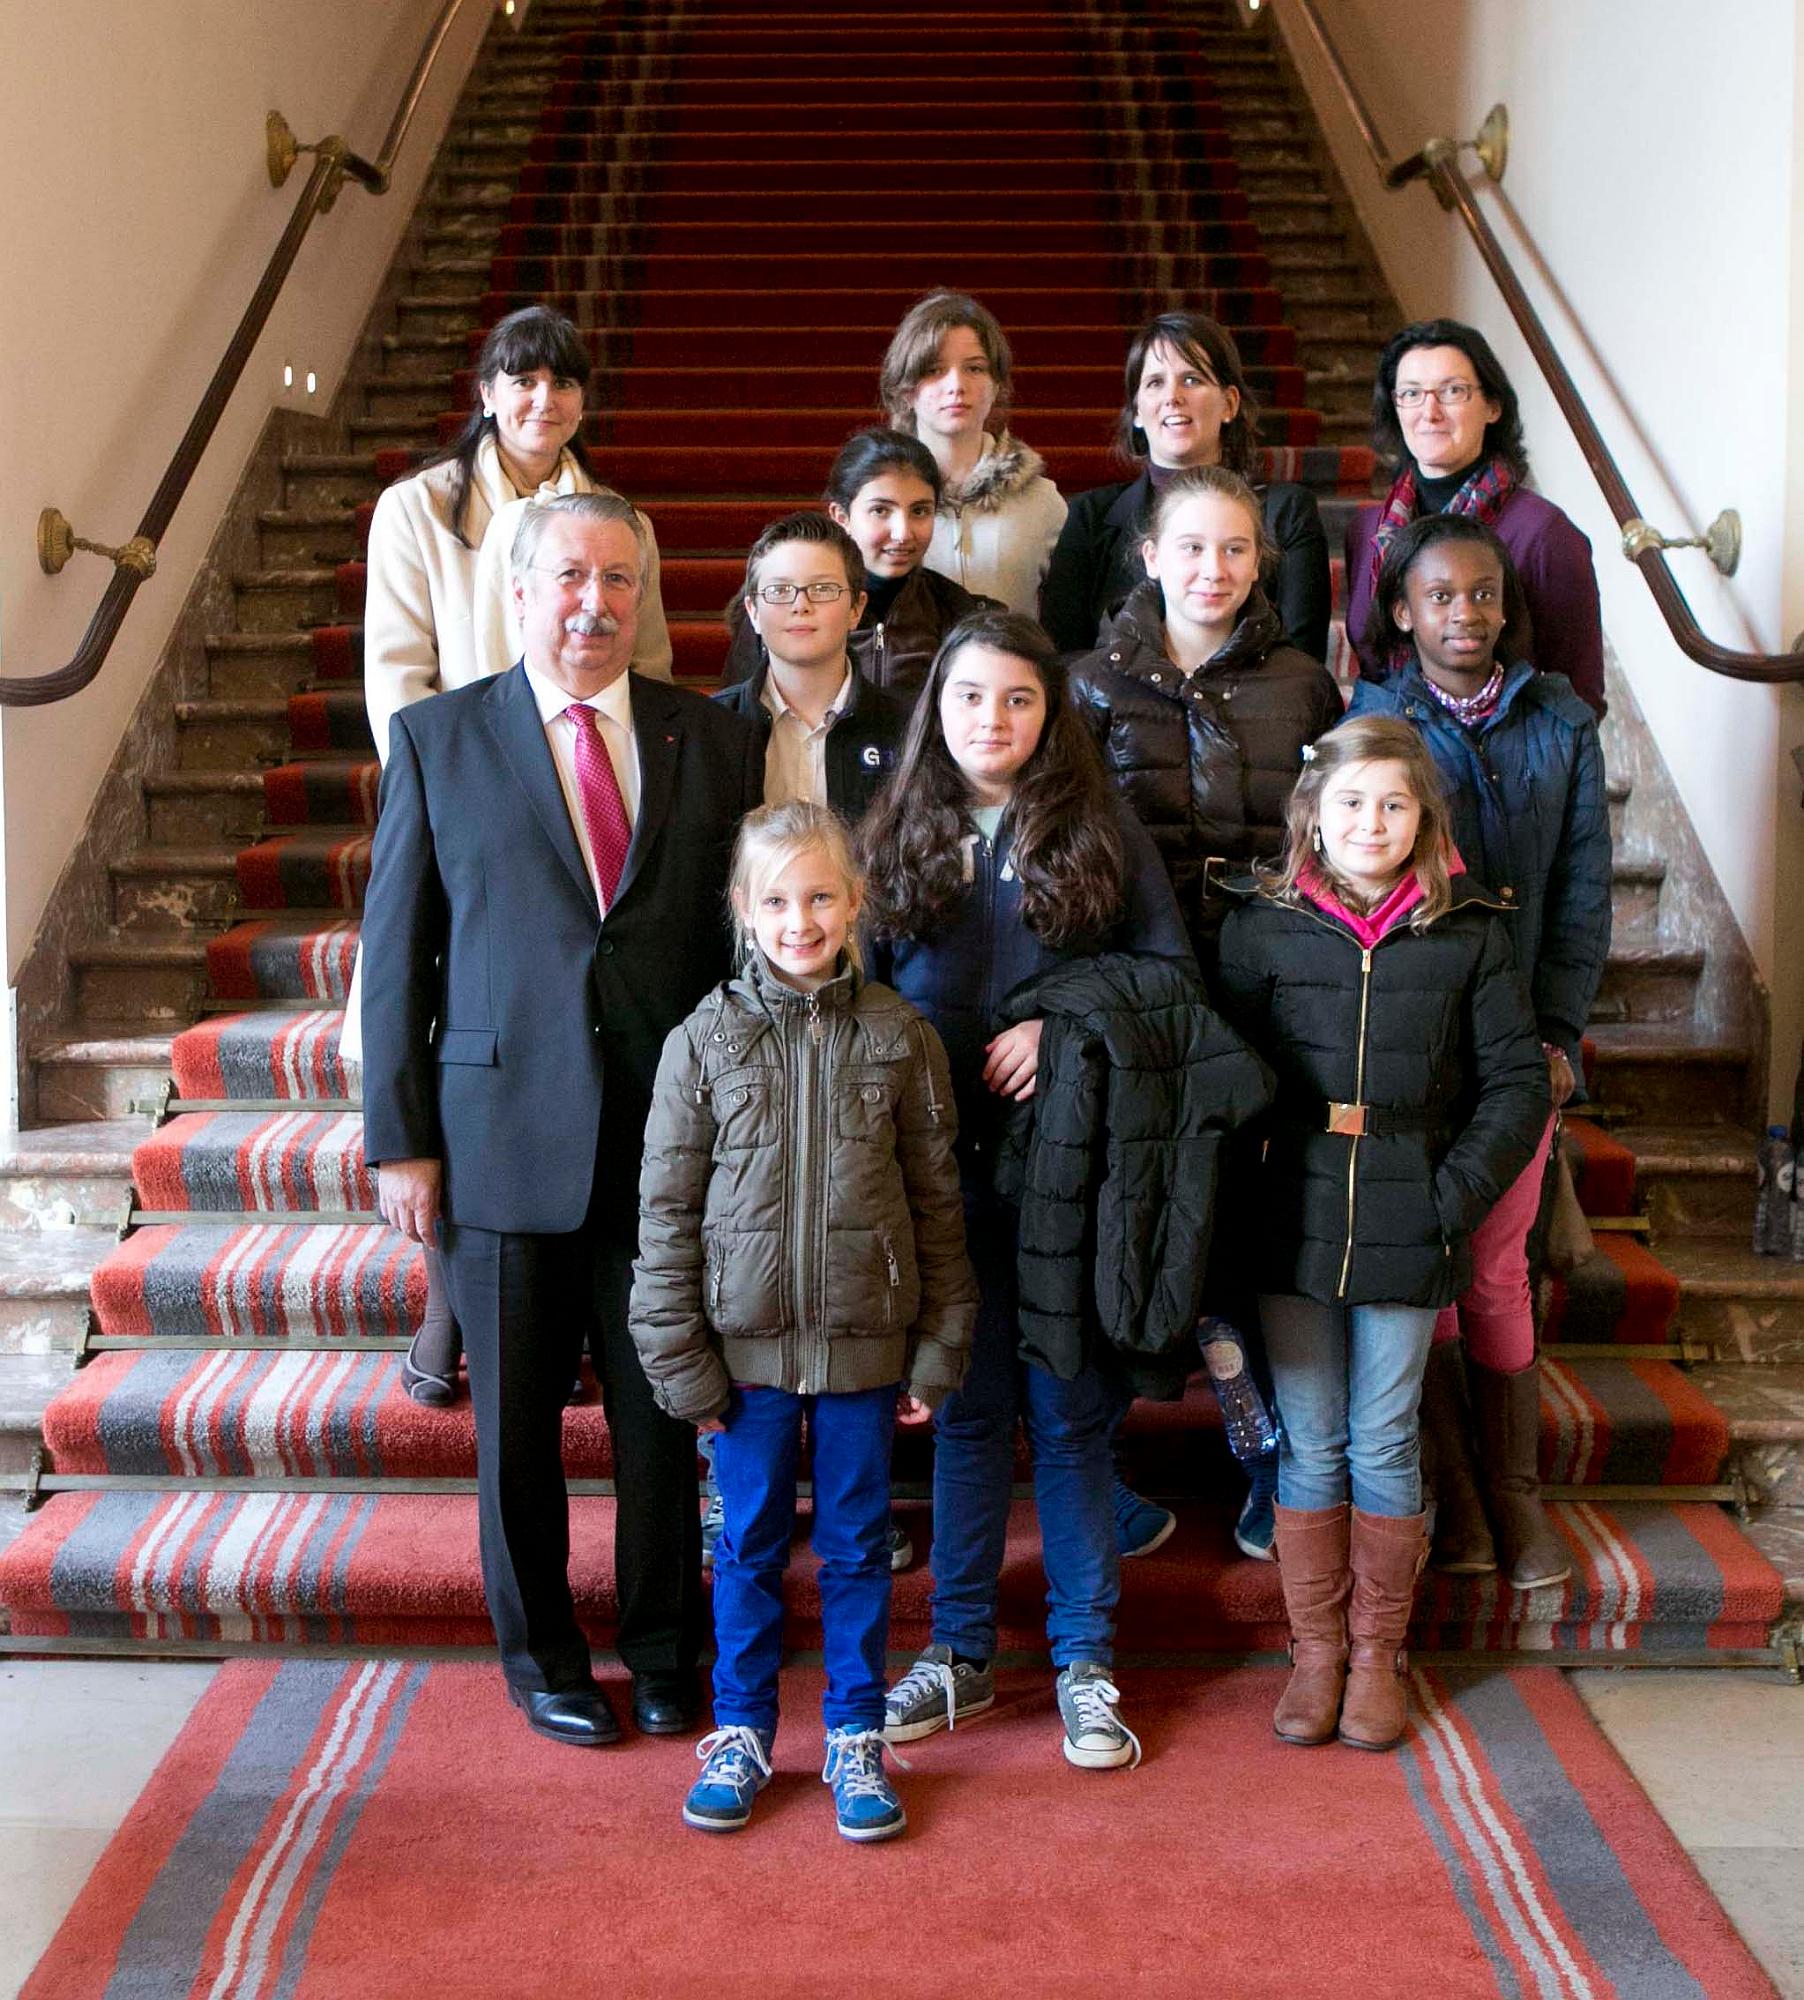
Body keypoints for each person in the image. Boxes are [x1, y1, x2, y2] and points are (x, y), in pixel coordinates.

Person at [360, 492, 765, 1748]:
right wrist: (400, 1138)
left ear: (643, 596)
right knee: (517, 1430)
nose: (594, 603)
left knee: (660, 1418)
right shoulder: (438, 737)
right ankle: (540, 1656)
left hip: (665, 1142)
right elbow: (397, 952)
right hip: (495, 1142)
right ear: (522, 591)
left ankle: (661, 1649)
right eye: (570, 578)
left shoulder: (712, 739)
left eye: (620, 581)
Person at [861, 610, 1194, 1771]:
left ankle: (1085, 1659)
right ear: (934, 709)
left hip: (1071, 1171)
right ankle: (957, 1649)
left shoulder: (1101, 829)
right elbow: (851, 991)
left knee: (1068, 1419)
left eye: (1016, 700)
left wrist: (1067, 1021)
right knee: (964, 1415)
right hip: (938, 1176)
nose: (990, 721)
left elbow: (1168, 976)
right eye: (968, 699)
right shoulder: (898, 829)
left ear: (1049, 714)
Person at [630, 802, 976, 1842]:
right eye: (776, 899)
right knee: (744, 1544)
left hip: (870, 1345)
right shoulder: (701, 1041)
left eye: (820, 895)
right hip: (746, 1361)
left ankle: (855, 1734)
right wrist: (681, 1362)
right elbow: (665, 1211)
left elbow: (936, 1201)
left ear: (855, 901)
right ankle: (739, 1729)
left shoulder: (901, 1037)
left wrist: (940, 1340)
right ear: (742, 907)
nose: (800, 918)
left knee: (859, 1544)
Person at [354, 304, 672, 1409]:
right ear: (486, 390)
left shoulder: (617, 520)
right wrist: (457, 787)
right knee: (466, 1062)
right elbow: (398, 677)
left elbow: (652, 656)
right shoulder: (415, 512)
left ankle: (521, 1327)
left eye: (564, 382)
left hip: (593, 790)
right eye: (520, 379)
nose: (544, 400)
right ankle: (460, 1317)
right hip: (471, 800)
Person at [1215, 714, 1549, 1751]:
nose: (1371, 822)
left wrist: (1449, 1195)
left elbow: (1515, 1084)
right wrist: (1251, 1188)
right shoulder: (1258, 922)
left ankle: (1376, 1655)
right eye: (1351, 802)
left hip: (1414, 1205)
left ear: (1423, 821)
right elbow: (1223, 1071)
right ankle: (1314, 1654)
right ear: (1312, 813)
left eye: (1394, 805)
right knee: (1311, 1439)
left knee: (1386, 1434)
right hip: (1294, 1216)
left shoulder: (1470, 931)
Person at [1069, 463, 1341, 1563]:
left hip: (1267, 994)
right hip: (1139, 1003)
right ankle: (1103, 1475)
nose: (1212, 569)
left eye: (1234, 549)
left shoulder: (1304, 685)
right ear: (1148, 554)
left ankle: (1268, 1461)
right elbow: (1072, 855)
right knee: (1124, 1232)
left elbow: (1324, 848)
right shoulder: (1085, 683)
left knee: (1241, 1247)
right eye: (1191, 546)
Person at [1351, 515, 1611, 1589]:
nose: (1464, 614)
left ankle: (1517, 1496)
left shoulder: (1562, 721)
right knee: (1429, 1272)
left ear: (1508, 606)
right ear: (1402, 611)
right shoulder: (1371, 716)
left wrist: (1556, 1032)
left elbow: (1584, 892)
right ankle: (1455, 1496)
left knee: (1499, 1271)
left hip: (1516, 1042)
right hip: (1415, 1034)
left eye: (1484, 594)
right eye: (1440, 596)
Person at [708, 513, 915, 1571]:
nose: (799, 607)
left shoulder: (902, 722)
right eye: (779, 591)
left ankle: (862, 1496)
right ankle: (745, 1493)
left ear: (857, 606)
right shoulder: (707, 728)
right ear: (753, 610)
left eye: (820, 589)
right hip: (746, 1030)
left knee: (859, 1230)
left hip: (868, 1017)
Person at [1344, 319, 1606, 718]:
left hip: (1505, 769)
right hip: (1392, 759)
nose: (1429, 412)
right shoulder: (1367, 531)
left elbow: (1578, 697)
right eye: (1411, 394)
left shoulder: (1544, 535)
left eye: (1452, 391)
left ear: (1492, 406)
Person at [1040, 310, 1331, 659]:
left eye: (1191, 379)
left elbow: (1302, 663)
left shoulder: (1286, 513)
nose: (1173, 396)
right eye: (1155, 382)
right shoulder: (1090, 517)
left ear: (1229, 404)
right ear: (1136, 411)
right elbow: (1064, 658)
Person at [721, 430, 998, 697]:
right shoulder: (782, 606)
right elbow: (739, 721)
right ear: (841, 517)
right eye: (881, 510)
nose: (903, 533)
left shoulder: (956, 609)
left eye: (920, 511)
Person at [878, 292, 1067, 616]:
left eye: (975, 369)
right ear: (907, 389)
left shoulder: (1042, 501)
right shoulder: (875, 498)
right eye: (935, 369)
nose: (956, 385)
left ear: (996, 385)